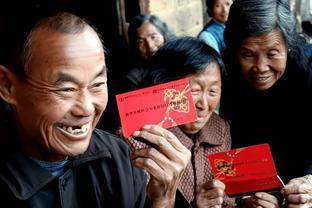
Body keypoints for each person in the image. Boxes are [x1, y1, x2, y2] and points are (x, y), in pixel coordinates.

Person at [0, 11, 191, 207]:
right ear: (8, 87)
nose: (86, 108)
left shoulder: (118, 156)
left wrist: (163, 199)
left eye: (97, 84)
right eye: (66, 89)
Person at [219, 0, 312, 207]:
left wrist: (308, 184)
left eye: (272, 54)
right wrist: (244, 198)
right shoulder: (226, 75)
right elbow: (232, 142)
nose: (260, 67)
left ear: (289, 45)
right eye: (248, 54)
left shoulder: (308, 72)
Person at [144, 37, 235, 207]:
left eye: (213, 91)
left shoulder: (220, 129)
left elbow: (228, 201)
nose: (204, 105)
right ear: (165, 88)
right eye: (194, 91)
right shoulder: (140, 139)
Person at [126, 14, 176, 90]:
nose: (150, 46)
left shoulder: (180, 60)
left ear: (164, 35)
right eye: (141, 41)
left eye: (153, 37)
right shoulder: (134, 78)